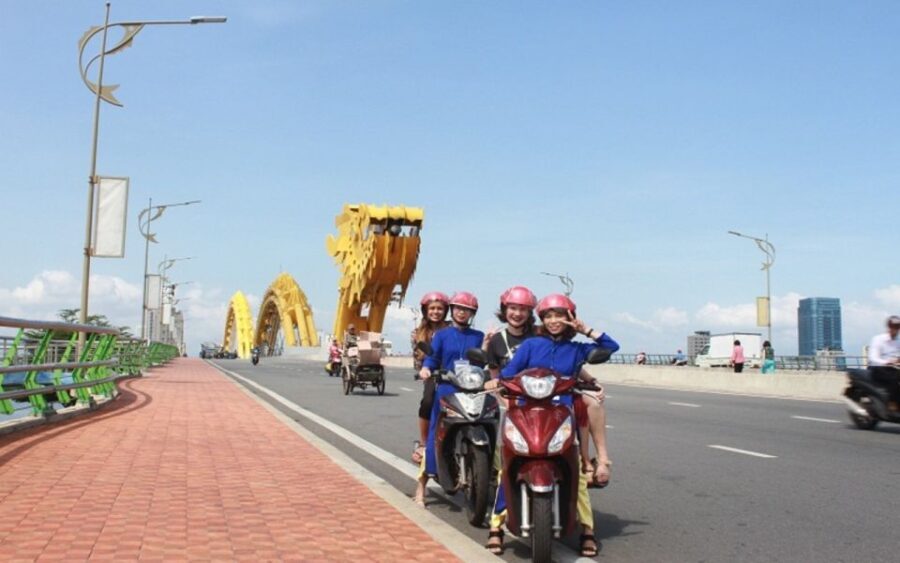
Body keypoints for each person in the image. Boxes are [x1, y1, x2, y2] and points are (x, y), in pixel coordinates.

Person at [483, 287, 612, 554]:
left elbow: (610, 347)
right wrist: (499, 381)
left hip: (561, 412)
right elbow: (509, 372)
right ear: (542, 319)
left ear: (570, 318)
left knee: (574, 469)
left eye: (561, 316)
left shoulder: (576, 349)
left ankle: (588, 530)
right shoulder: (531, 345)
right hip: (526, 411)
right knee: (507, 466)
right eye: (549, 316)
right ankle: (496, 526)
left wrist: (586, 329)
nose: (554, 321)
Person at [414, 292, 484, 507]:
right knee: (436, 432)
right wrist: (426, 369)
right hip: (447, 387)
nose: (462, 312)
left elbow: (485, 360)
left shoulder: (478, 336)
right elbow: (432, 357)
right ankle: (421, 487)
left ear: (472, 313)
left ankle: (488, 471)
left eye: (467, 310)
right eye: (458, 308)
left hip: (471, 389)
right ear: (452, 310)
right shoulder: (442, 335)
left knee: (487, 423)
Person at [409, 291, 451, 465]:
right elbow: (418, 358)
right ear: (425, 310)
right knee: (428, 401)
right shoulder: (417, 333)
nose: (435, 312)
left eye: (439, 308)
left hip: (454, 374)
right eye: (432, 308)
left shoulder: (452, 329)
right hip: (432, 374)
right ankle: (425, 442)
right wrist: (424, 371)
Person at [868, 315, 900, 411]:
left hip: (893, 368)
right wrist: (887, 362)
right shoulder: (878, 339)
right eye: (893, 326)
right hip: (877, 368)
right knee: (895, 378)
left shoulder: (898, 342)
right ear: (889, 327)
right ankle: (892, 402)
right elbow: (873, 358)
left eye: (897, 327)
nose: (895, 329)